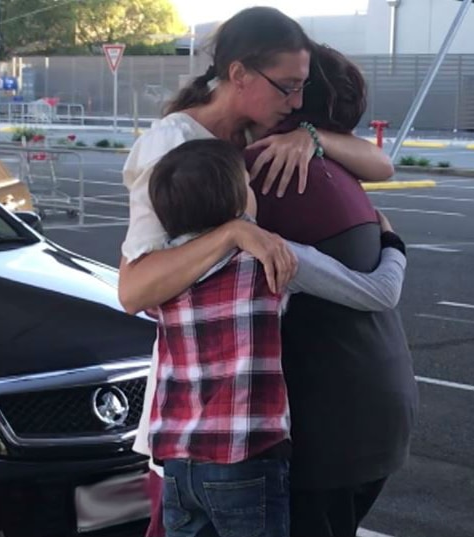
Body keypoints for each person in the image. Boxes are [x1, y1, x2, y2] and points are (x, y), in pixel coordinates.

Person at [117, 8, 393, 536]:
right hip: (203, 421)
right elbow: (134, 288)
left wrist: (311, 137)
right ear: (240, 74)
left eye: (301, 90)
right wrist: (235, 234)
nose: (295, 102)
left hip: (235, 418)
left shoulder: (256, 132)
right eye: (286, 88)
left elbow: (382, 165)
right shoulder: (172, 146)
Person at [145, 138, 407, 537]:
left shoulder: (162, 269)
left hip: (177, 461)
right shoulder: (271, 258)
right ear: (238, 202)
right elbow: (378, 292)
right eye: (249, 187)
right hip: (244, 459)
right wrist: (391, 243)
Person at [244, 43, 418, 537]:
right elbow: (382, 165)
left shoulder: (264, 169)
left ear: (297, 99)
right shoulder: (337, 169)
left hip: (326, 425)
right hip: (378, 410)